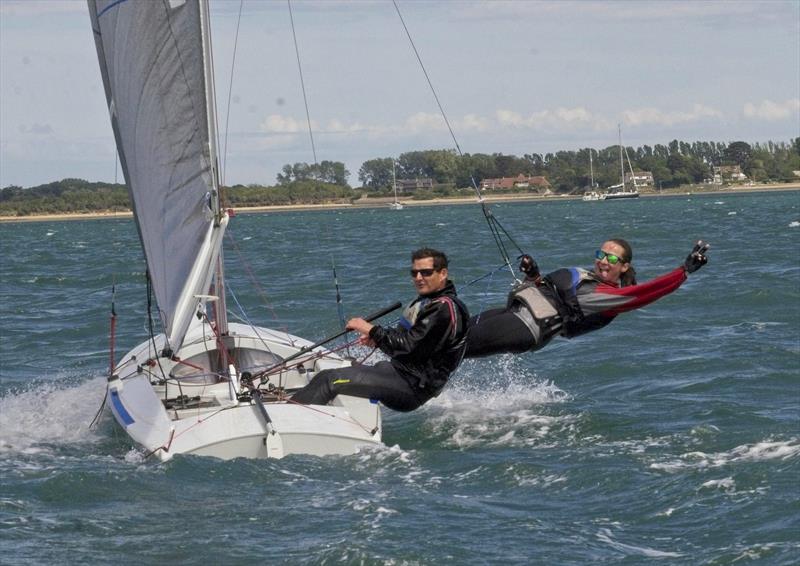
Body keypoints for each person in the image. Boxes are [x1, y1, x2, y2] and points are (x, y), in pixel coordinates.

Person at [464, 239, 710, 358]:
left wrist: (683, 271)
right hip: (512, 314)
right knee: (455, 333)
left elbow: (645, 293)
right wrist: (533, 274)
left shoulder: (607, 297)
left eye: (612, 259)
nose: (603, 261)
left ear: (624, 267)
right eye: (601, 255)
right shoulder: (586, 277)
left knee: (456, 344)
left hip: (525, 328)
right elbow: (547, 292)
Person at [292, 247, 470, 411]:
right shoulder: (429, 302)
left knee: (329, 379)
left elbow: (408, 346)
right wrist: (377, 340)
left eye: (426, 272)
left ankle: (289, 417)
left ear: (443, 273)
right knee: (347, 369)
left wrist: (370, 329)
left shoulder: (443, 308)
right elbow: (408, 340)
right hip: (398, 373)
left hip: (411, 387)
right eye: (414, 273)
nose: (418, 278)